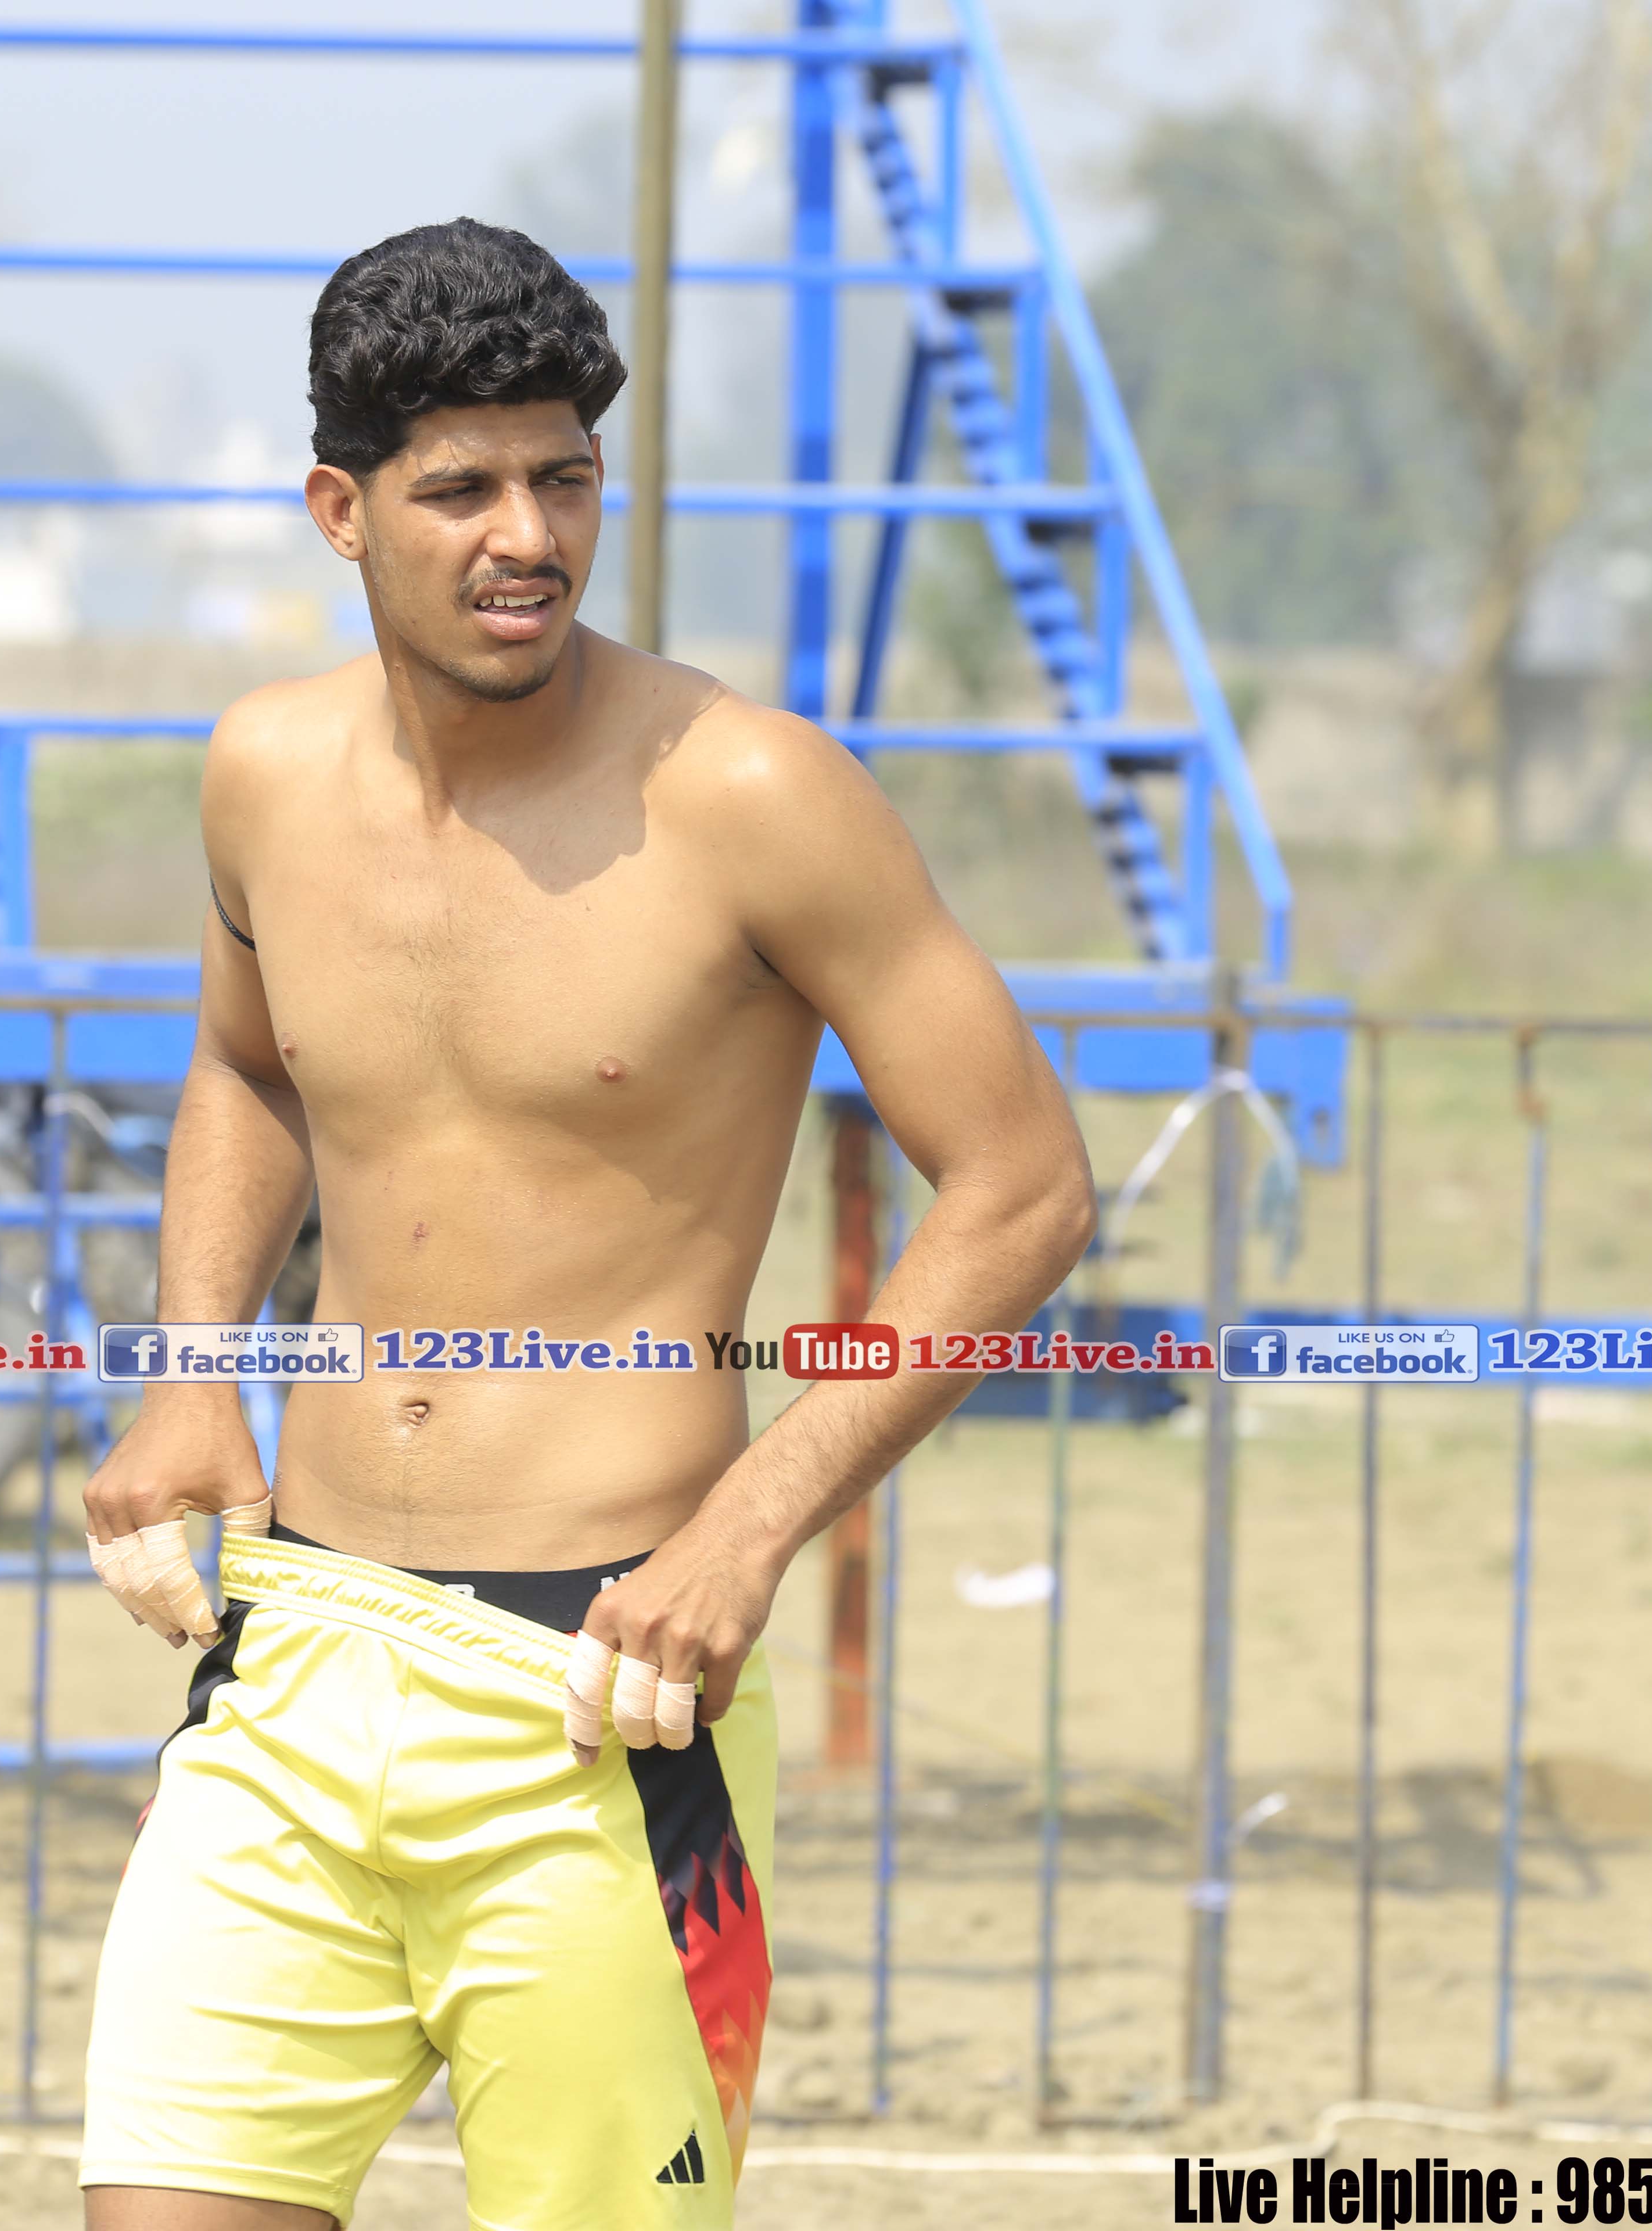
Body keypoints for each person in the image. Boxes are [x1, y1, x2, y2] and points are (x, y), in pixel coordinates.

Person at [76, 217, 1096, 2231]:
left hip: (606, 1690)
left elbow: (1025, 1184)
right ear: (341, 510)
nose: (526, 536)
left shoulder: (754, 792)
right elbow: (249, 1070)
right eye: (462, 489)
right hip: (298, 1651)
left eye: (565, 478)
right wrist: (192, 1371)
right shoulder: (264, 768)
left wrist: (749, 1526)